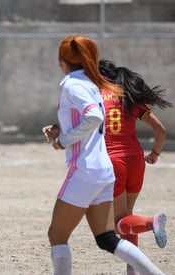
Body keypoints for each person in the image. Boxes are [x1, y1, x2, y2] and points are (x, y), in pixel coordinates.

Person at [42, 35, 165, 275]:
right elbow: (92, 120)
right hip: (112, 166)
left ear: (61, 60)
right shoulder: (99, 86)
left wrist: (63, 140)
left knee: (57, 235)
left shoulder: (74, 84)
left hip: (89, 168)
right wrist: (62, 130)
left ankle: (150, 227)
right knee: (108, 236)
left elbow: (94, 118)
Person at [99, 59, 172, 274]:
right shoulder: (129, 96)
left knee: (117, 223)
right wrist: (155, 154)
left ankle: (151, 222)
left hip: (113, 161)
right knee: (127, 218)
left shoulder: (95, 96)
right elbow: (160, 130)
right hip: (135, 159)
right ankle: (132, 270)